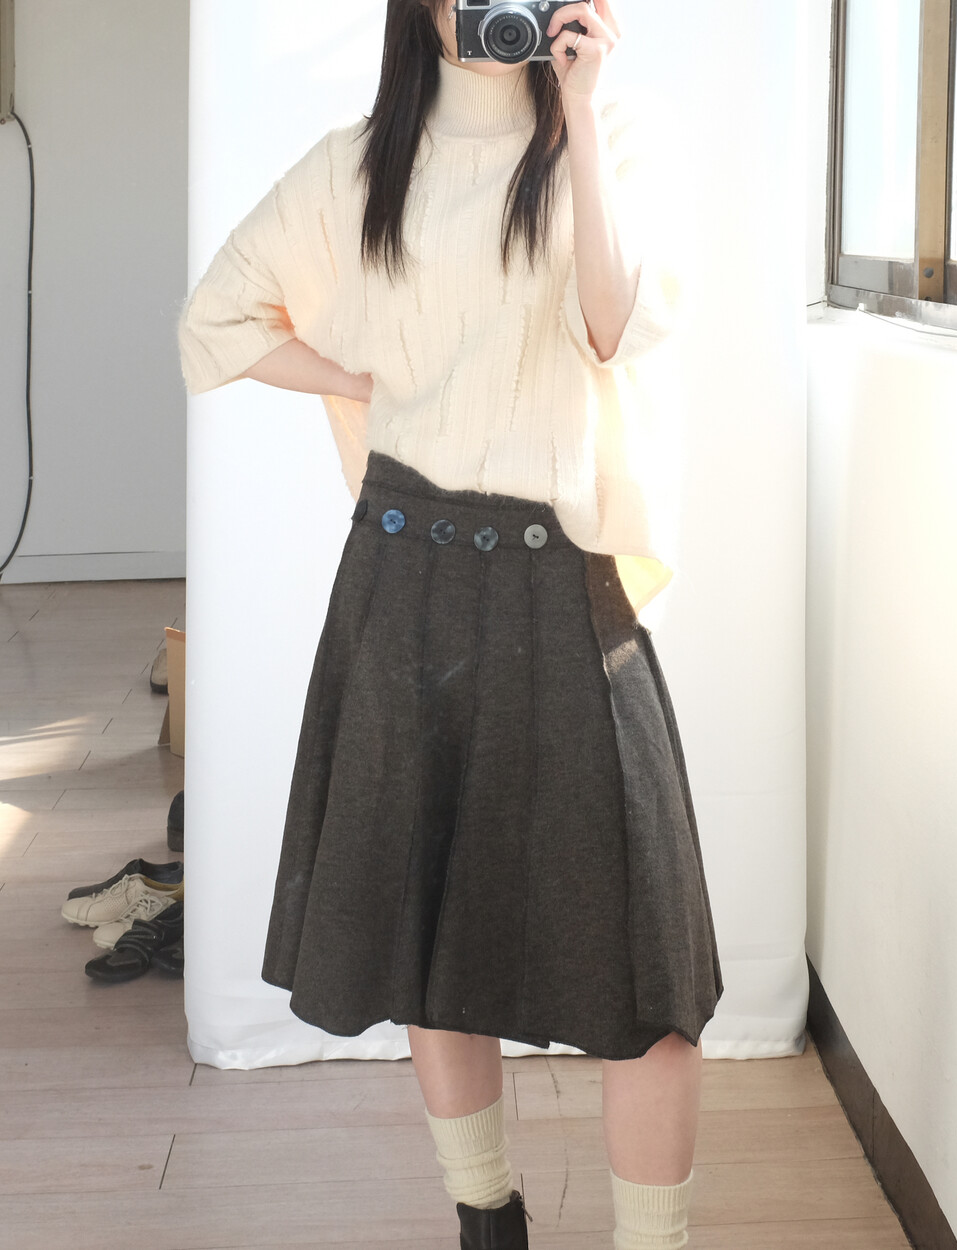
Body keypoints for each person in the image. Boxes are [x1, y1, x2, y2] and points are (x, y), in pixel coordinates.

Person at [177, 2, 724, 1247]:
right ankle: (488, 1218)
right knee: (436, 939)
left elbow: (616, 326)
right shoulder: (356, 164)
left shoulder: (616, 137)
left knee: (650, 977)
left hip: (561, 578)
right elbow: (217, 322)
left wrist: (580, 111)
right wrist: (362, 379)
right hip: (403, 570)